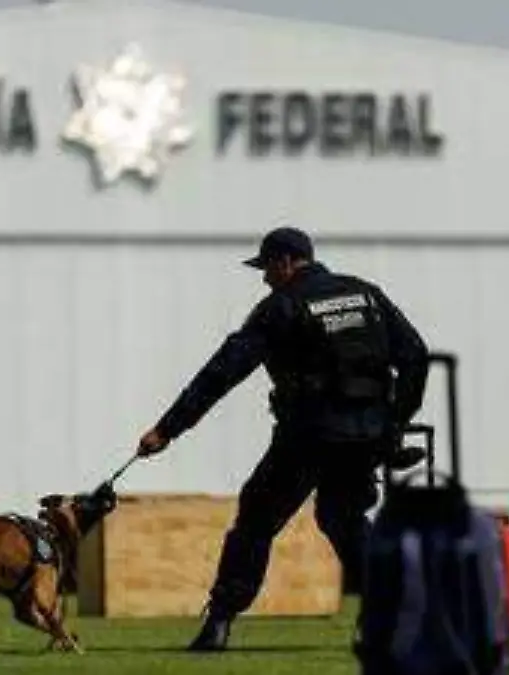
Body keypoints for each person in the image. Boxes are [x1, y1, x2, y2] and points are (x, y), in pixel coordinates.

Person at [135, 225, 430, 652]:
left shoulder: (282, 306)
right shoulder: (366, 295)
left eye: (267, 268)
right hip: (364, 437)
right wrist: (393, 423)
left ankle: (218, 624)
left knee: (255, 520)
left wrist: (168, 428)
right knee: (344, 519)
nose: (264, 277)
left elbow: (223, 371)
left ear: (286, 262)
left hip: (306, 436)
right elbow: (415, 357)